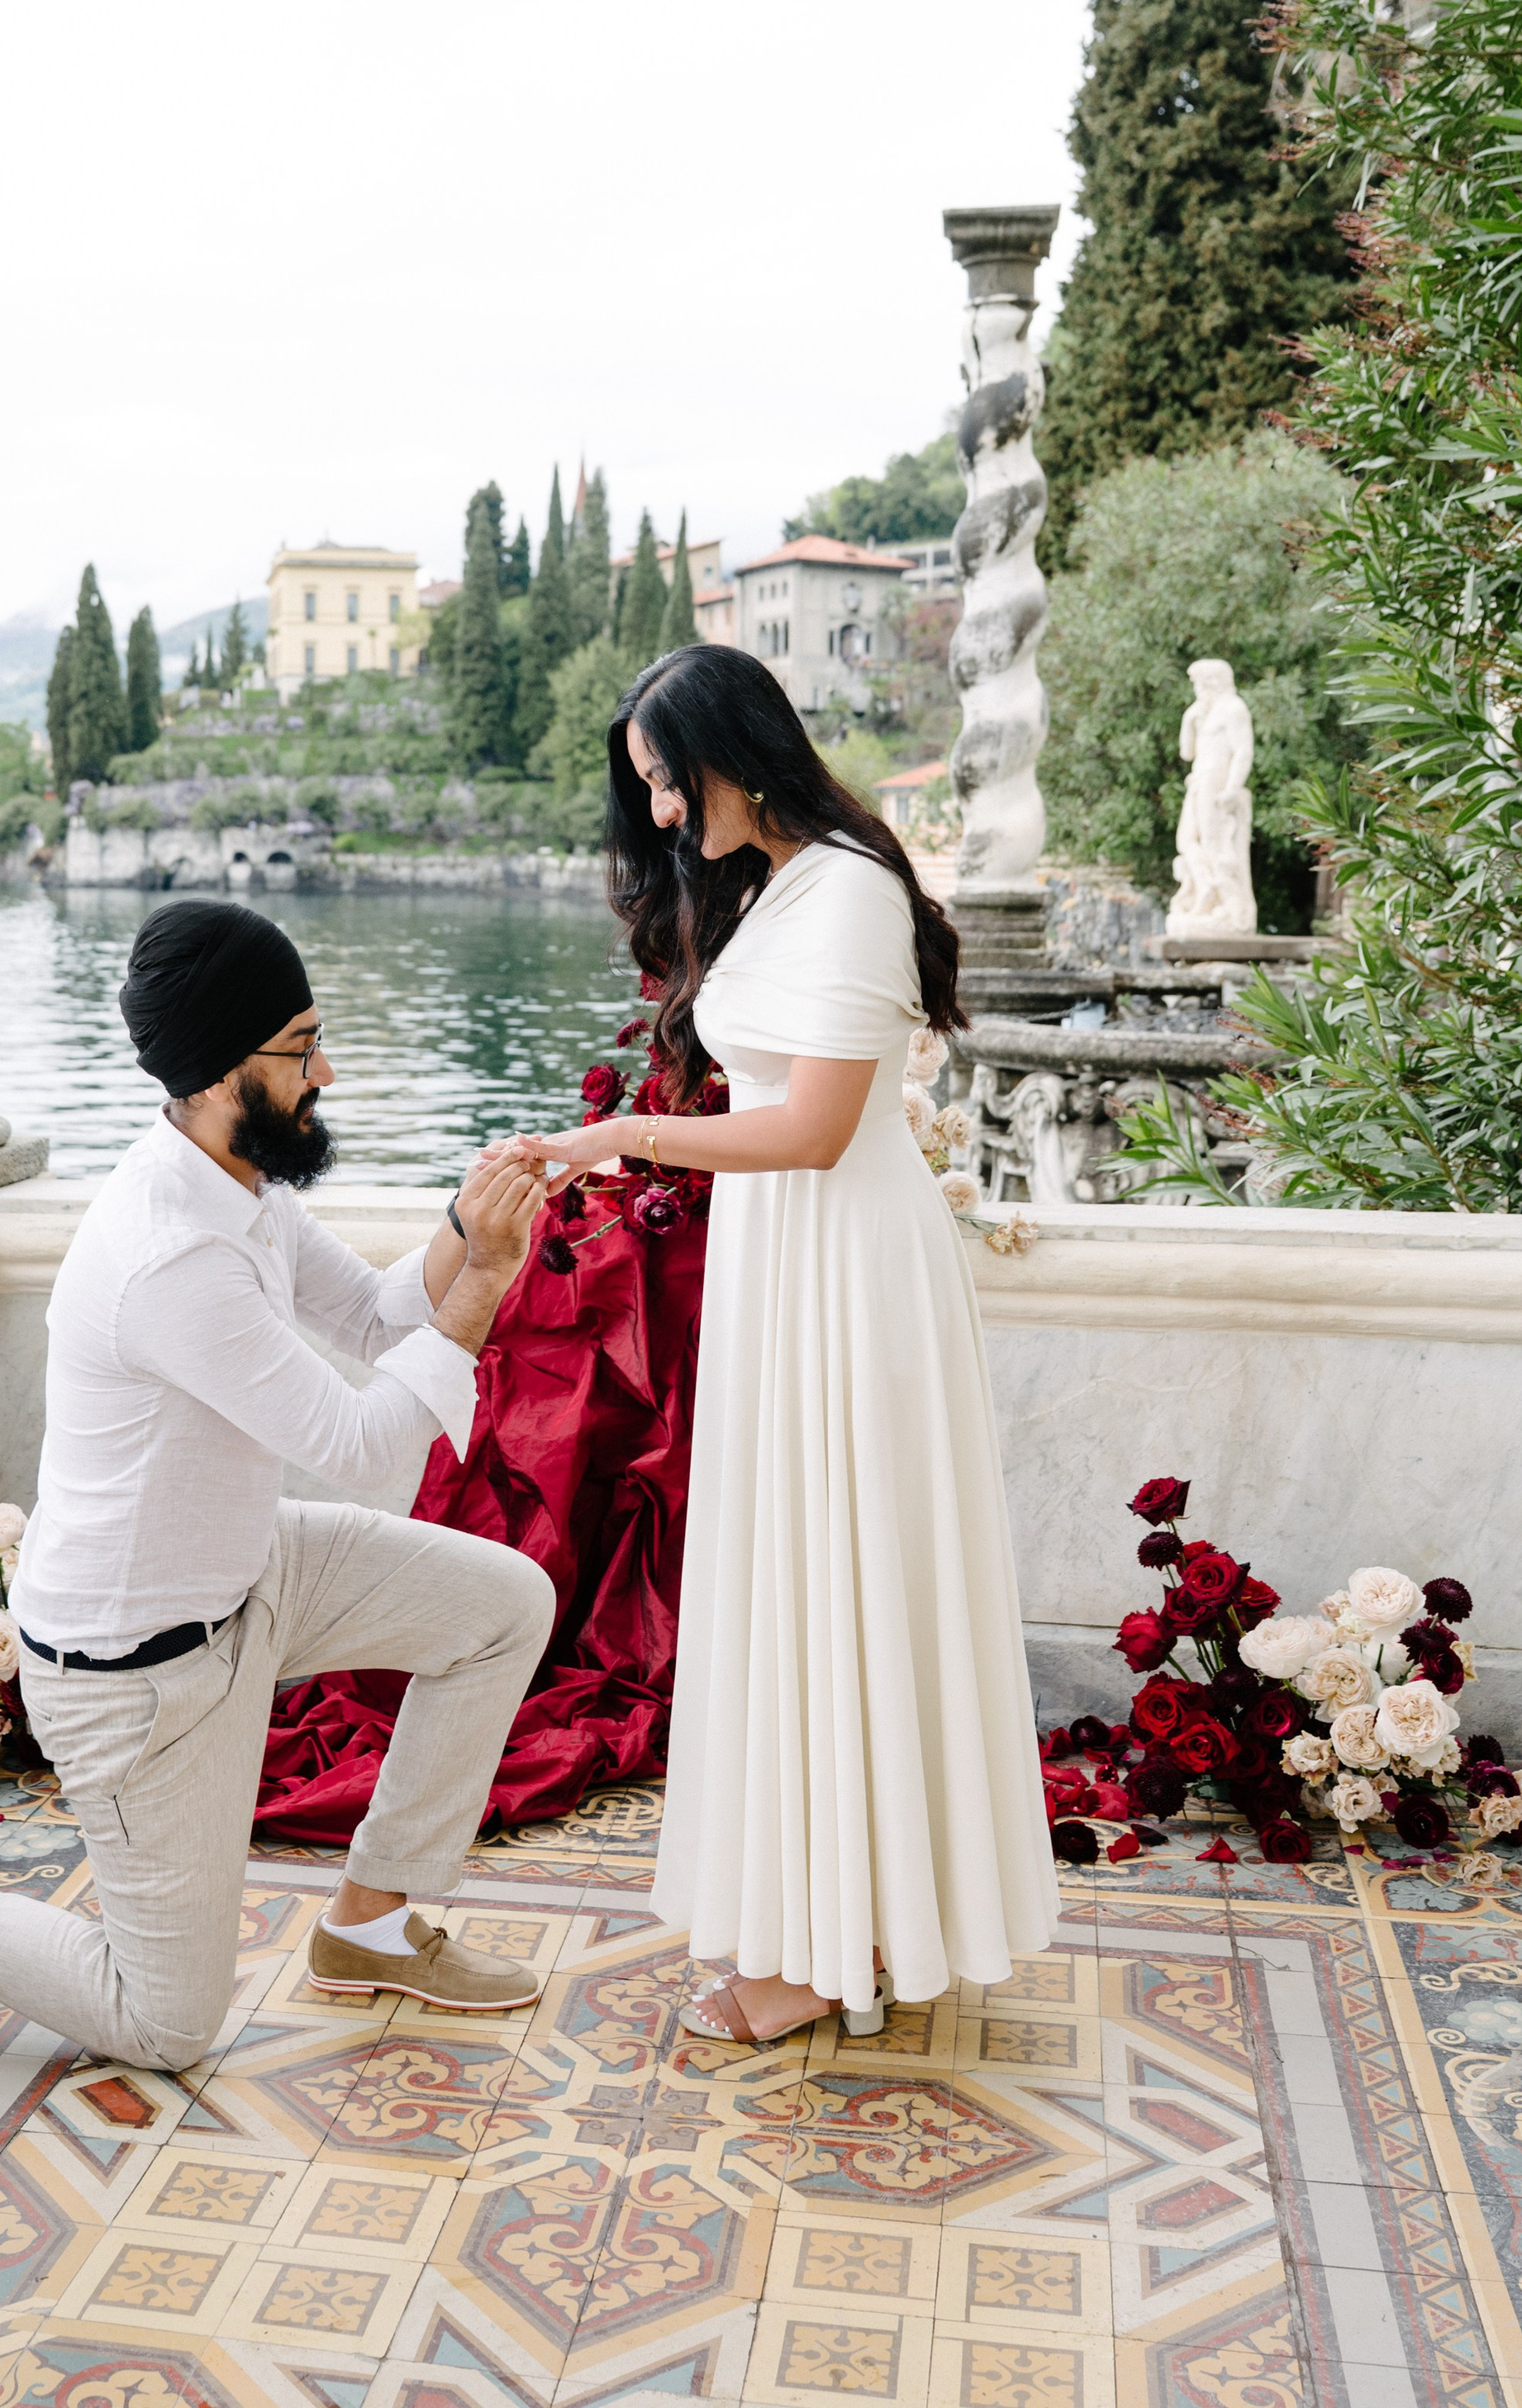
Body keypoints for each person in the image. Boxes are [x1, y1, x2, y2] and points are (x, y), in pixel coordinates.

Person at [0, 896, 556, 2066]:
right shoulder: (175, 1254)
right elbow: (369, 1448)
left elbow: (380, 1316)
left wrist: (468, 1220)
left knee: (503, 1607)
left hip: (251, 1570)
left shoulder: (239, 1181)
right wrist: (485, 1278)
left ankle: (373, 1924)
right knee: (165, 2023)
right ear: (224, 1071)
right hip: (138, 1673)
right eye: (300, 1048)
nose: (325, 1068)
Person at [514, 644, 1057, 2046]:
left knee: (846, 1579)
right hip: (786, 1264)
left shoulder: (852, 892)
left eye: (669, 785)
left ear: (735, 752)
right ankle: (828, 1915)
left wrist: (622, 1134)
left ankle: (840, 1947)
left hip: (845, 1269)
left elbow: (813, 1129)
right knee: (804, 1581)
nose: (668, 818)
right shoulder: (792, 889)